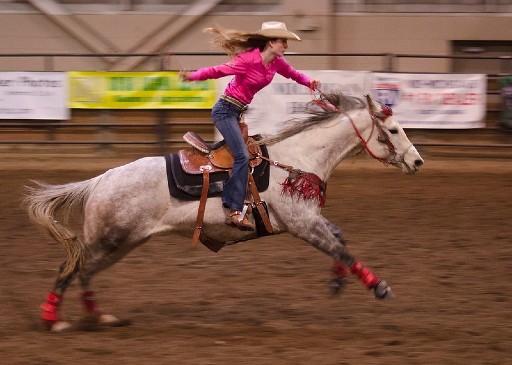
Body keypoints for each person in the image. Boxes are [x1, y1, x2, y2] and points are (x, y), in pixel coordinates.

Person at [180, 21, 320, 231]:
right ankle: (234, 210)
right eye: (283, 41)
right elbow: (218, 71)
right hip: (225, 111)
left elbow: (293, 74)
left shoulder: (277, 62)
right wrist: (193, 76)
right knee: (243, 156)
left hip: (237, 114)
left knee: (251, 154)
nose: (286, 46)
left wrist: (309, 82)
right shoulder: (248, 60)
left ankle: (239, 198)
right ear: (271, 42)